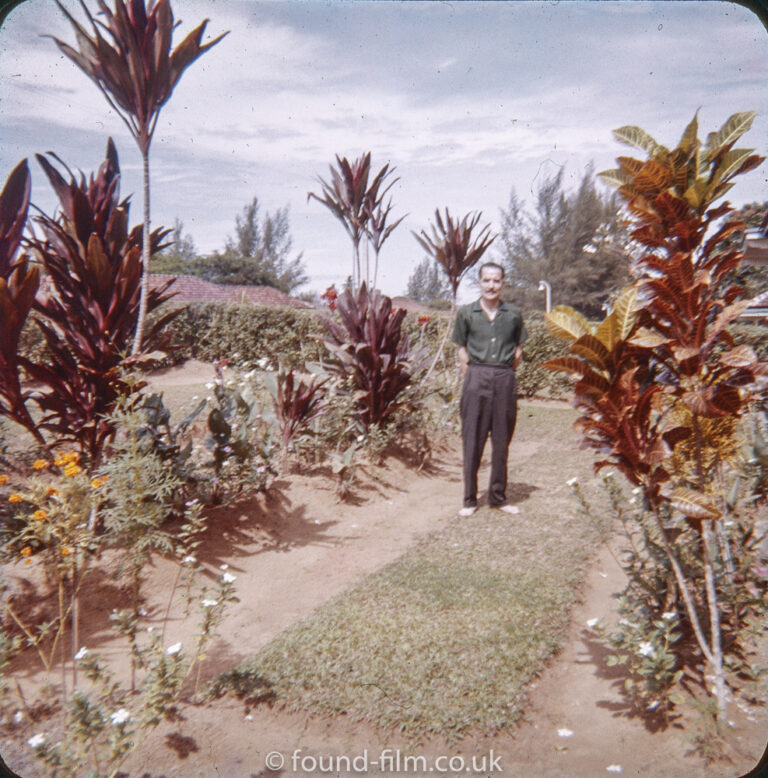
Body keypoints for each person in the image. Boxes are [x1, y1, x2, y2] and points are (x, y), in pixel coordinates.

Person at [451, 261, 527, 517]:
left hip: (505, 377)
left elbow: (518, 349)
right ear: (479, 283)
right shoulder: (466, 313)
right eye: (486, 280)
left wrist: (504, 372)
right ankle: (470, 500)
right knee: (472, 438)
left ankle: (498, 497)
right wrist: (473, 376)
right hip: (476, 377)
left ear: (502, 284)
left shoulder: (513, 314)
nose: (491, 285)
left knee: (502, 439)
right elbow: (461, 349)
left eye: (496, 281)